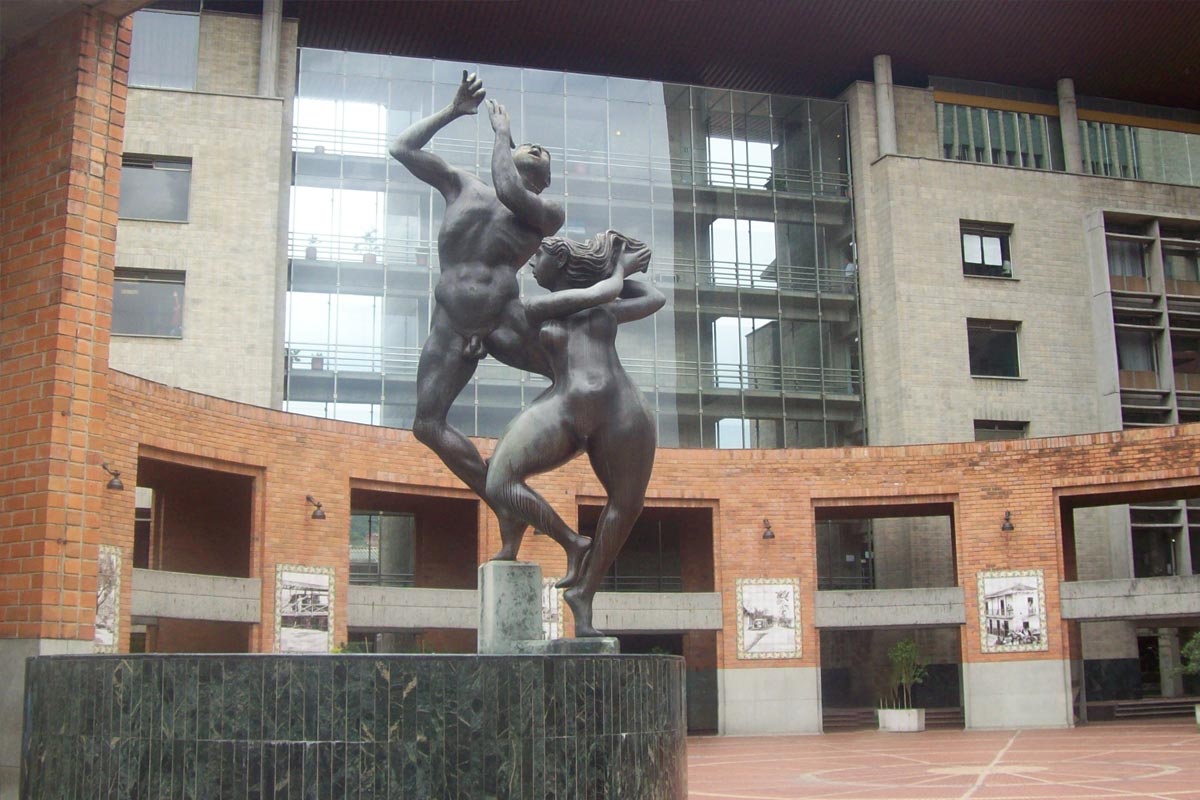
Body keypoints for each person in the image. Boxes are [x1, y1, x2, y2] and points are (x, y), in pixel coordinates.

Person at [388, 71, 564, 551]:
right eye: (531, 145)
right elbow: (401, 149)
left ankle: (524, 452)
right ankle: (504, 499)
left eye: (541, 155)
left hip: (502, 319)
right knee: (427, 425)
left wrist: (503, 137)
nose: (537, 148)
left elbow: (508, 189)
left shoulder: (546, 212)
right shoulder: (462, 185)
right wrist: (452, 112)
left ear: (544, 179)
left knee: (571, 379)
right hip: (450, 323)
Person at [484, 231, 666, 636]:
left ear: (563, 261)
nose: (532, 263)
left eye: (541, 256)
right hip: (565, 406)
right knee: (498, 479)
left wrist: (617, 269)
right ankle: (572, 541)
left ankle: (584, 595)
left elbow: (655, 298)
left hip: (621, 411)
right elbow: (605, 291)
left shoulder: (606, 308)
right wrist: (617, 269)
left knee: (627, 504)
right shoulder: (540, 305)